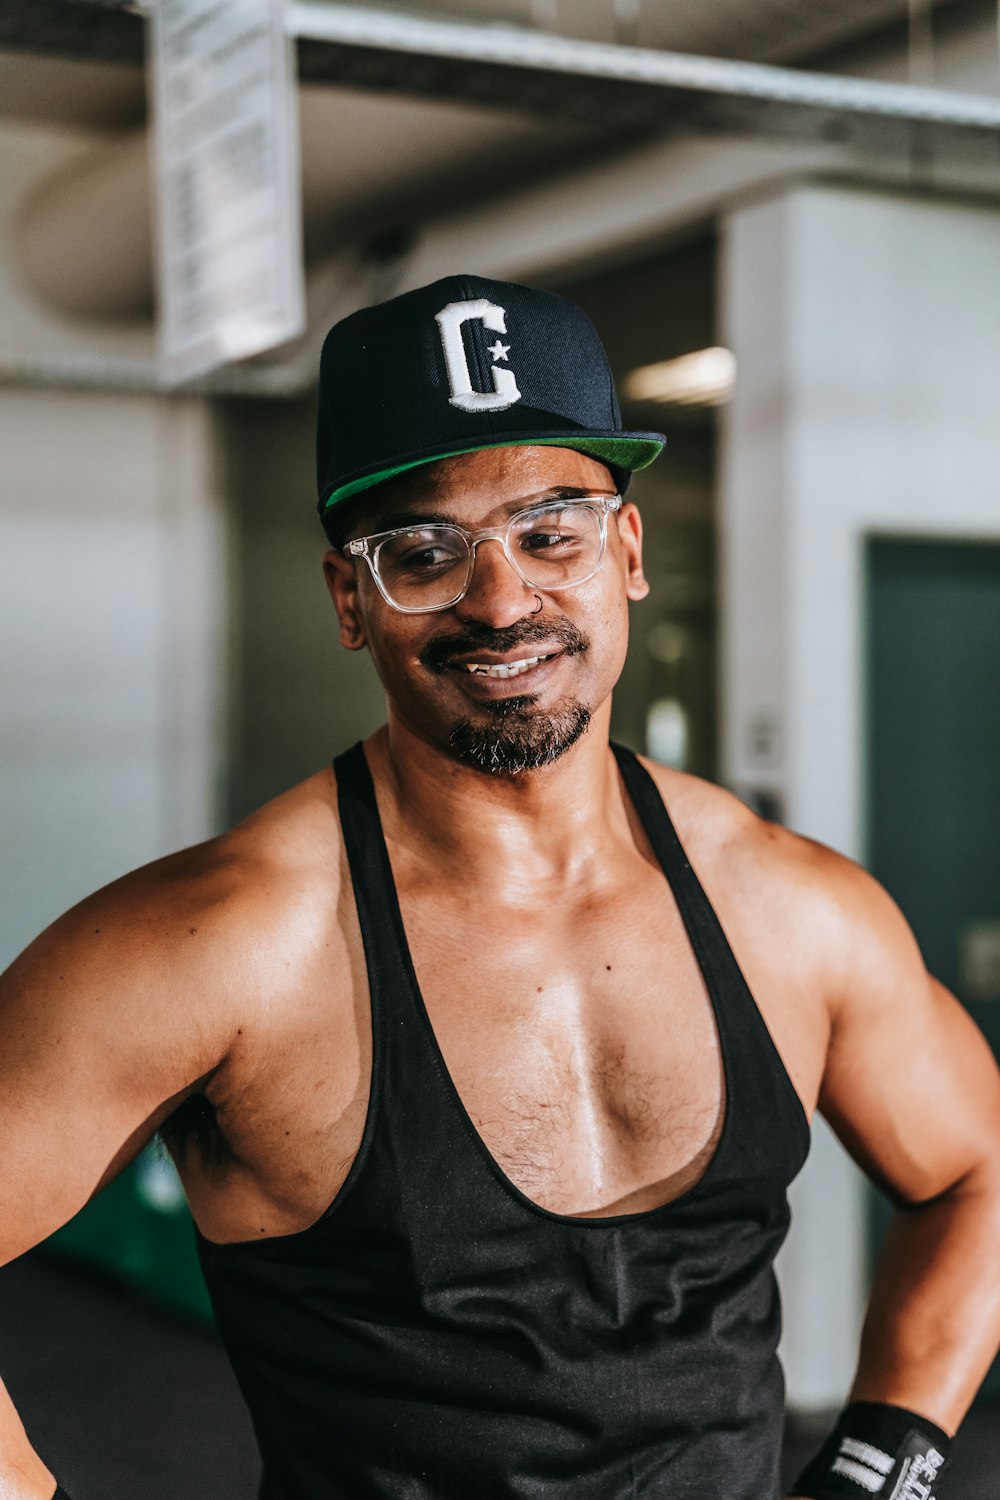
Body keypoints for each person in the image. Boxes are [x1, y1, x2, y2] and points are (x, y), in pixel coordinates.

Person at [2, 274, 999, 1500]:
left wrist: (878, 1469)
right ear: (348, 602)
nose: (500, 597)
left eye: (548, 531)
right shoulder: (224, 945)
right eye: (423, 551)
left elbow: (975, 1168)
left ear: (624, 551)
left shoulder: (790, 911)